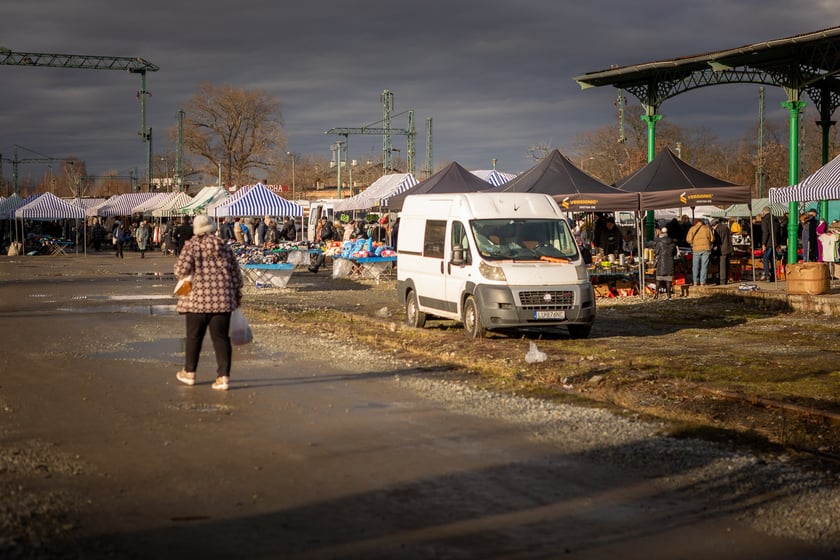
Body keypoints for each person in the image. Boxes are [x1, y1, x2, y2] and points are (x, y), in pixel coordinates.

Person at [173, 215, 243, 392]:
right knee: (221, 338)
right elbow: (236, 275)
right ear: (212, 227)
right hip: (222, 300)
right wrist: (236, 294)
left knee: (194, 337)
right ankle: (223, 377)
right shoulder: (224, 246)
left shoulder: (192, 245)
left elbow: (180, 270)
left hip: (197, 301)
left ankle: (189, 372)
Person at [686, 218, 714, 286]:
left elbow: (688, 239)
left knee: (695, 266)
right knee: (704, 266)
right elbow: (712, 239)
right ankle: (702, 282)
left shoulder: (692, 228)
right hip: (706, 249)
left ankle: (695, 282)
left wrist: (694, 242)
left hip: (696, 249)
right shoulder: (707, 228)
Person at [653, 227, 677, 299]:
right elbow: (675, 253)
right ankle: (668, 294)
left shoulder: (659, 242)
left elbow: (656, 252)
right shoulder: (672, 243)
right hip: (670, 261)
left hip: (661, 261)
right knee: (668, 279)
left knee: (659, 278)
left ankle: (656, 293)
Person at [761, 207, 782, 281]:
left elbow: (766, 233)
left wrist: (763, 243)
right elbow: (780, 232)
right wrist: (778, 243)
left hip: (768, 243)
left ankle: (767, 275)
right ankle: (773, 275)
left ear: (764, 212)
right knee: (773, 259)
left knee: (765, 259)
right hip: (775, 242)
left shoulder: (764, 220)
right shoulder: (776, 220)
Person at [713, 218, 733, 284]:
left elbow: (718, 241)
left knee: (722, 266)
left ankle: (722, 281)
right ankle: (726, 279)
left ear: (714, 225)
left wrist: (714, 247)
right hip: (728, 248)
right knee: (727, 265)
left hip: (722, 249)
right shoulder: (726, 227)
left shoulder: (717, 229)